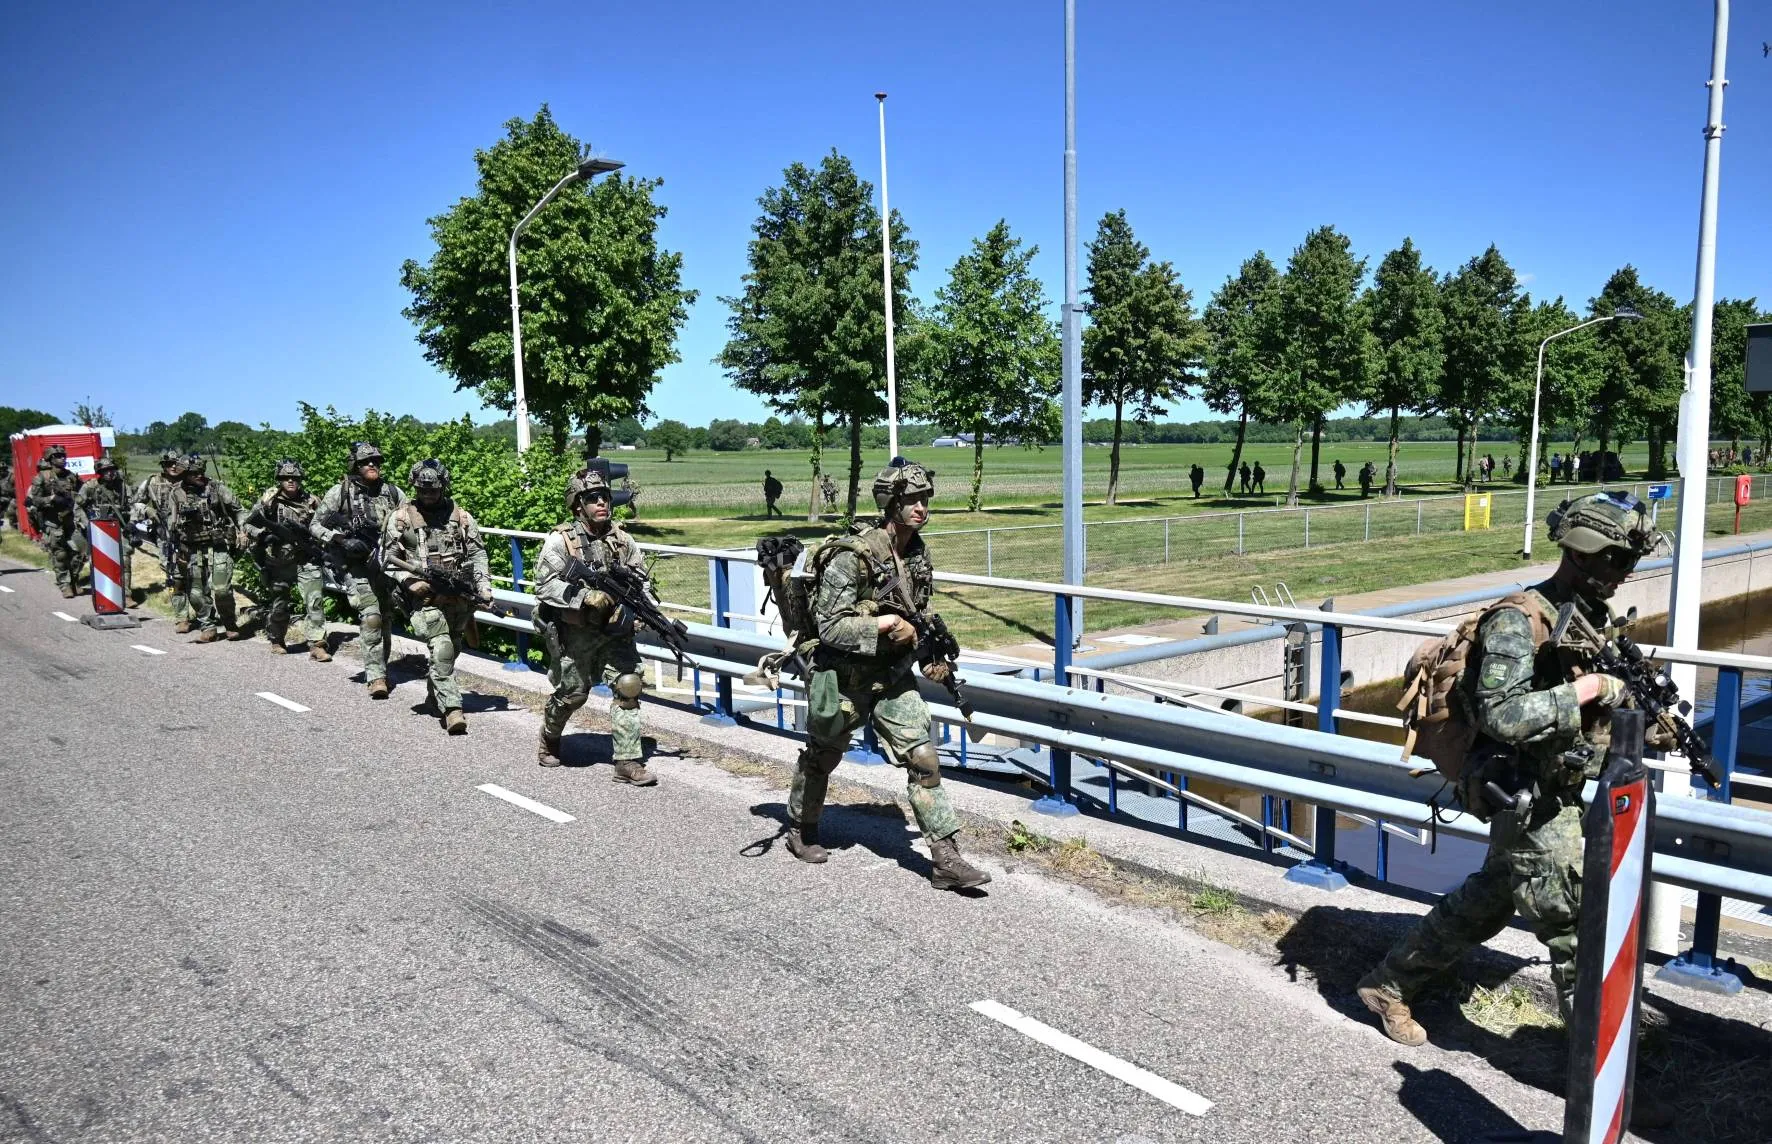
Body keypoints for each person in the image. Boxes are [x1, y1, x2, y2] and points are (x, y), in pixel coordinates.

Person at [1358, 490, 1668, 1047]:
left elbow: (1579, 721)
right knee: (1578, 925)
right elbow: (1503, 715)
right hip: (1527, 795)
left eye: (1631, 562)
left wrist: (1637, 717)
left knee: (1488, 901)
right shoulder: (1517, 621)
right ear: (1581, 553)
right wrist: (1591, 689)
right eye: (1616, 560)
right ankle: (1604, 1079)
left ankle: (1390, 982)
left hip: (1561, 790)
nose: (1625, 573)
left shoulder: (1591, 618)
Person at [784, 460, 991, 891]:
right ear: (890, 504)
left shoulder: (917, 554)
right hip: (841, 678)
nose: (920, 508)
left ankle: (945, 859)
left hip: (891, 679)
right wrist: (884, 626)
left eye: (924, 500)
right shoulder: (851, 557)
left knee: (924, 758)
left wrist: (928, 655)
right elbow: (830, 627)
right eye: (911, 500)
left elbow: (918, 612)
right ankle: (801, 828)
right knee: (823, 756)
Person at [533, 467, 655, 781]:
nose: (602, 502)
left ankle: (627, 763)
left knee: (629, 686)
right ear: (578, 505)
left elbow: (644, 582)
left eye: (604, 497)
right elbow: (544, 585)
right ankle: (550, 736)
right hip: (578, 632)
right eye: (592, 498)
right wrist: (584, 596)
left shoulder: (622, 539)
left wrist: (644, 609)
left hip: (616, 633)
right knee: (573, 694)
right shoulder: (561, 541)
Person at [381, 460, 493, 735]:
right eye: (422, 490)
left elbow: (478, 554)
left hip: (457, 598)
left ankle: (435, 697)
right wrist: (409, 581)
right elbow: (387, 558)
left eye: (434, 490)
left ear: (444, 486)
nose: (428, 495)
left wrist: (484, 588)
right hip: (424, 598)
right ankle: (453, 709)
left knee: (452, 650)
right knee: (442, 647)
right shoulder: (400, 518)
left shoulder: (462, 518)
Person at [312, 443, 407, 699]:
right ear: (355, 465)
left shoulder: (393, 493)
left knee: (385, 618)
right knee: (371, 617)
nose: (373, 465)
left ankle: (381, 668)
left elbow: (412, 523)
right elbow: (315, 525)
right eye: (367, 462)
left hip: (386, 565)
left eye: (376, 461)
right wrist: (341, 540)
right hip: (356, 567)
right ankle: (376, 677)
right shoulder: (339, 492)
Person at [244, 459, 329, 659]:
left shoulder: (311, 501)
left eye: (295, 478)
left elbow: (324, 525)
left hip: (306, 558)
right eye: (285, 478)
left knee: (314, 600)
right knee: (280, 604)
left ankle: (317, 644)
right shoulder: (269, 500)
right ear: (279, 479)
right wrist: (263, 535)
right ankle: (277, 638)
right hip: (279, 561)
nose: (290, 481)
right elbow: (248, 524)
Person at [166, 457, 246, 642]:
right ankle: (208, 626)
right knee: (195, 593)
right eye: (194, 473)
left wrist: (243, 531)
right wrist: (177, 549)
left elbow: (239, 510)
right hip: (191, 549)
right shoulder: (176, 493)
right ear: (185, 475)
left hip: (218, 546)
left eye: (201, 472)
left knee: (221, 589)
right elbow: (172, 523)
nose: (199, 476)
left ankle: (229, 623)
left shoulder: (217, 488)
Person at [134, 450, 192, 629]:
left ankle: (206, 614)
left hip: (191, 536)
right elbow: (136, 502)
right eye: (168, 463)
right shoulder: (152, 482)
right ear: (163, 466)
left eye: (176, 463)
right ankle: (182, 616)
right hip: (165, 536)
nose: (173, 467)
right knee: (174, 577)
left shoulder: (191, 481)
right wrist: (147, 510)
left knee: (197, 576)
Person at [26, 446, 86, 598]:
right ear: (51, 459)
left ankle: (75, 580)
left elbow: (82, 493)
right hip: (53, 522)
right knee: (60, 554)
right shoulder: (42, 477)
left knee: (79, 552)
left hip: (71, 521)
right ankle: (64, 584)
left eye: (63, 456)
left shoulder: (71, 476)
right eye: (58, 456)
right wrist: (51, 499)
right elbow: (34, 500)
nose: (63, 459)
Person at [74, 453, 133, 601]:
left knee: (125, 559)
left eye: (112, 469)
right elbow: (78, 507)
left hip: (118, 526)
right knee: (94, 560)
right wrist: (87, 524)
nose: (110, 473)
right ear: (100, 473)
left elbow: (132, 506)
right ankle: (99, 592)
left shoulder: (123, 487)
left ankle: (126, 594)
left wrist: (131, 522)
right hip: (97, 528)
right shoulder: (90, 486)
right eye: (106, 470)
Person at [0, 455, 15, 531]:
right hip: (2, 498)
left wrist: (10, 490)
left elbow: (17, 491)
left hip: (11, 498)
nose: (1, 471)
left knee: (11, 511)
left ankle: (13, 525)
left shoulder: (12, 477)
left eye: (3, 470)